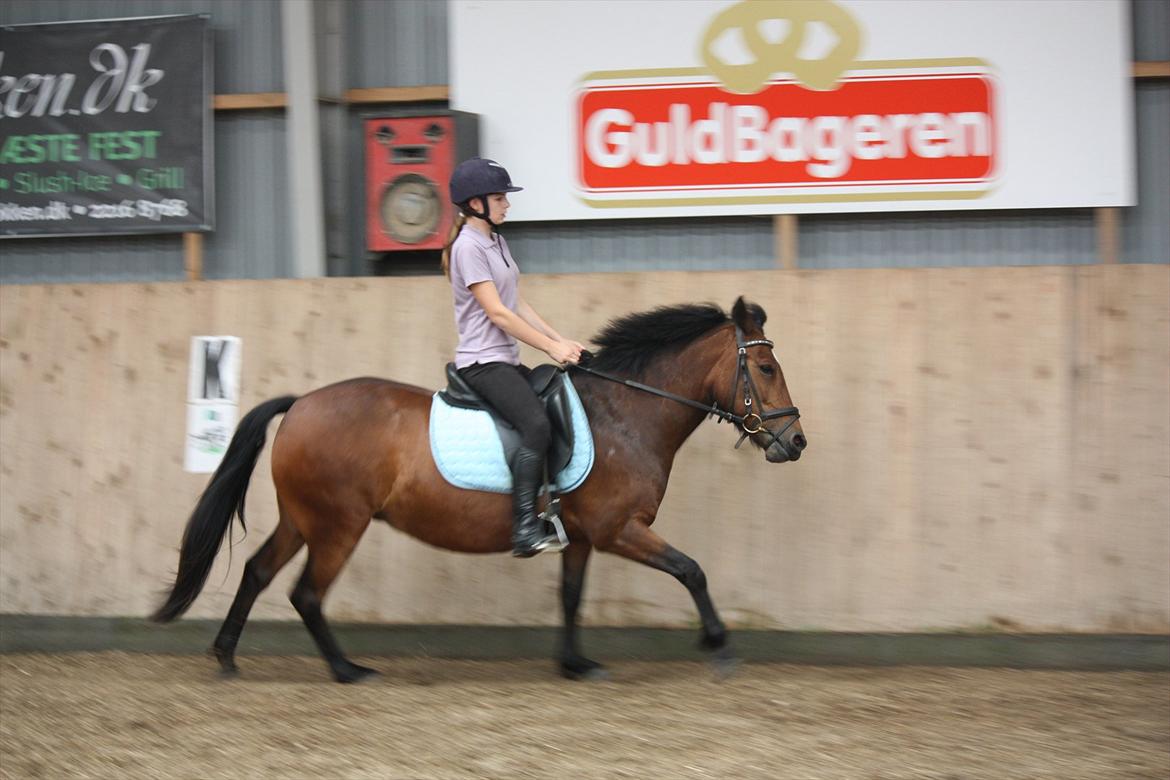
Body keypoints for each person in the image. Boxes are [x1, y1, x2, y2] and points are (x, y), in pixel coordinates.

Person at [441, 157, 585, 557]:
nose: (507, 205)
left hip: (505, 358)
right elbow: (498, 312)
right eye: (500, 197)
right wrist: (549, 348)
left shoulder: (496, 241)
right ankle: (524, 529)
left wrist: (560, 339)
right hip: (482, 362)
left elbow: (516, 301)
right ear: (475, 203)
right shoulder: (467, 247)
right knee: (536, 426)